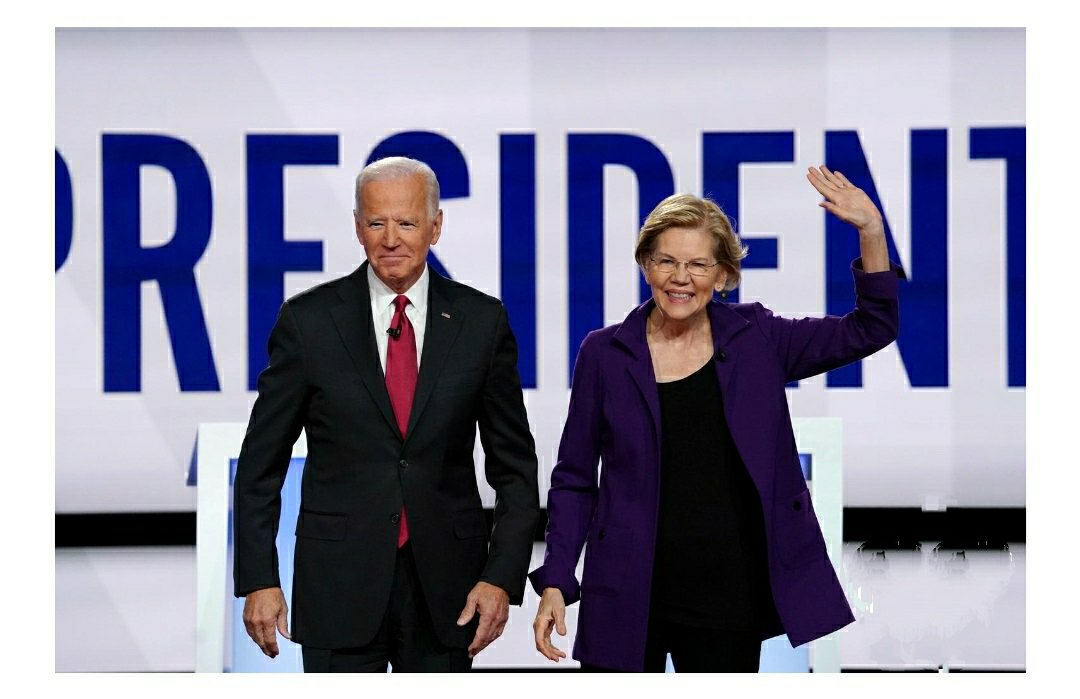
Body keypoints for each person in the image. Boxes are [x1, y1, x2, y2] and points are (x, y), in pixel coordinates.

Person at [529, 166, 900, 672]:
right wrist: (556, 579)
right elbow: (574, 479)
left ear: (723, 275)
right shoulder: (604, 353)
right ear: (646, 265)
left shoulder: (757, 339)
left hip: (727, 596)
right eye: (666, 261)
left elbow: (871, 328)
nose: (680, 278)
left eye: (698, 265)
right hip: (626, 588)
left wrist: (871, 231)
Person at [233, 156, 540, 672]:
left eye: (407, 222)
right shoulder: (309, 322)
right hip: (338, 584)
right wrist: (259, 579)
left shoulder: (481, 322)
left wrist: (501, 576)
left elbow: (514, 468)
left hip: (449, 591)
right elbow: (261, 463)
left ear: (436, 226)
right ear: (358, 228)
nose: (391, 239)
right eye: (377, 223)